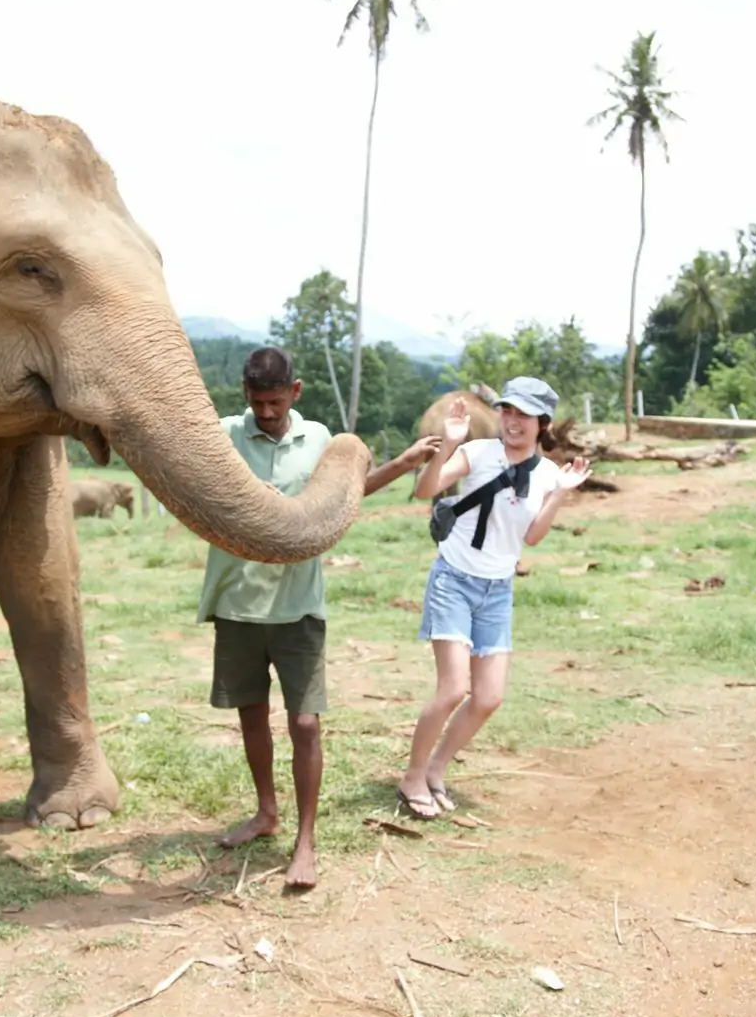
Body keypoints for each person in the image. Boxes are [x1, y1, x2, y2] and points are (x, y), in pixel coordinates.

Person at [200, 347, 441, 890]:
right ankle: (266, 812)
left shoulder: (320, 443)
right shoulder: (221, 437)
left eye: (276, 402)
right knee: (250, 714)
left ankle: (305, 841)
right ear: (244, 394)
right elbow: (196, 485)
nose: (266, 412)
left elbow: (341, 501)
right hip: (237, 602)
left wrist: (400, 466)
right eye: (258, 403)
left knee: (305, 722)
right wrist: (239, 495)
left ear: (297, 392)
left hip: (298, 606)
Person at [396, 376, 590, 820]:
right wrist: (448, 443)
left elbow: (533, 537)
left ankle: (437, 769)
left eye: (523, 414)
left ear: (542, 422)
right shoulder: (477, 452)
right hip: (454, 581)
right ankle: (412, 776)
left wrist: (560, 493)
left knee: (488, 697)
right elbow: (426, 491)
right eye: (507, 410)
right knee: (452, 690)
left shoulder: (545, 474)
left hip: (497, 590)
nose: (512, 420)